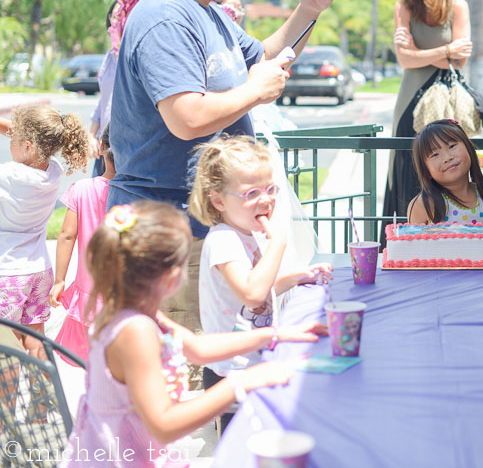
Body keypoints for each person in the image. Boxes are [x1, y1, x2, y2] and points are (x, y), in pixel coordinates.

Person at [107, 0, 336, 337]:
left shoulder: (208, 14)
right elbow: (186, 116)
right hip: (173, 237)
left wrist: (308, 11)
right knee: (190, 380)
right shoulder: (165, 17)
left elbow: (267, 57)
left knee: (218, 370)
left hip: (203, 232)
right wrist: (252, 92)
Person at [60, 201, 320, 467]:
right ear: (171, 277)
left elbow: (198, 348)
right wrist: (241, 382)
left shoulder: (134, 310)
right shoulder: (136, 331)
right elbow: (164, 424)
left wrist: (277, 334)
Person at [187, 135, 331, 430]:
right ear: (218, 200)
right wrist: (278, 242)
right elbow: (252, 294)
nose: (265, 200)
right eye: (251, 193)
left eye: (270, 189)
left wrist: (295, 277)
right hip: (232, 371)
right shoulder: (224, 240)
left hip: (255, 362)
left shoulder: (244, 232)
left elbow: (258, 288)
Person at [382, 0, 472, 239]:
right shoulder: (404, 7)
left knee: (449, 169)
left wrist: (422, 52)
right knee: (407, 168)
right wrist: (446, 50)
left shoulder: (457, 5)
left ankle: (453, 243)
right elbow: (405, 60)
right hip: (410, 100)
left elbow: (463, 58)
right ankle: (402, 246)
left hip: (447, 103)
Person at [0, 105, 88, 359]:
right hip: (39, 271)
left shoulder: (8, 175)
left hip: (8, 273)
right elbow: (33, 138)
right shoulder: (53, 171)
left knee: (8, 348)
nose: (9, 143)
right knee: (36, 339)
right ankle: (46, 397)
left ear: (27, 145)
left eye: (13, 140)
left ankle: (8, 400)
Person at [407, 119, 483, 248]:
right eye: (435, 154)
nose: (447, 157)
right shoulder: (424, 204)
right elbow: (412, 252)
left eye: (452, 146)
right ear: (425, 170)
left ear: (469, 148)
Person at [49, 125, 116, 365]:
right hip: (125, 291)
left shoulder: (82, 189)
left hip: (90, 291)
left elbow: (67, 235)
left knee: (91, 358)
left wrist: (60, 280)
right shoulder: (136, 193)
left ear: (101, 148)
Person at [87, 0, 149, 177]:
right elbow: (103, 100)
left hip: (129, 150)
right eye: (114, 17)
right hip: (104, 148)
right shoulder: (108, 57)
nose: (117, 22)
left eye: (123, 16)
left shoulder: (139, 55)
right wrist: (91, 135)